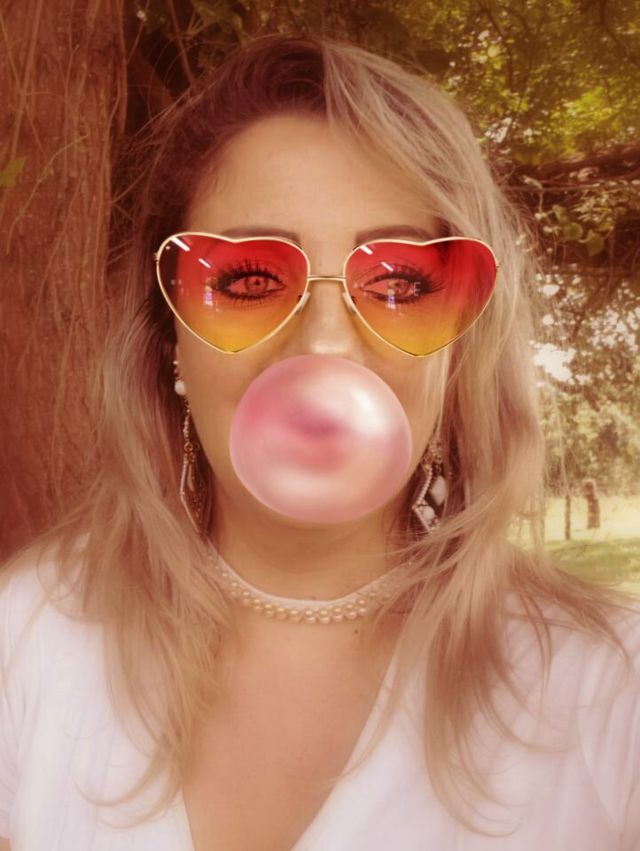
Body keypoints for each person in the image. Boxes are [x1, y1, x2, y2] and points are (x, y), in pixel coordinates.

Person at [1, 33, 639, 851]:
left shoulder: (609, 688)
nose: (327, 342)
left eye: (400, 282)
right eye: (251, 279)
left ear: (459, 350)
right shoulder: (31, 639)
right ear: (170, 339)